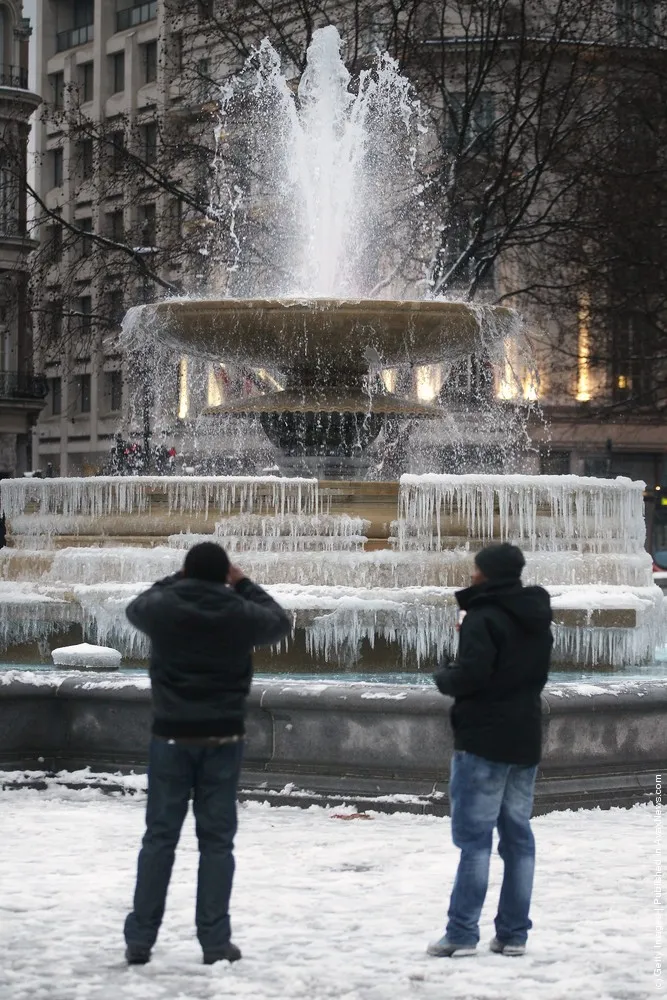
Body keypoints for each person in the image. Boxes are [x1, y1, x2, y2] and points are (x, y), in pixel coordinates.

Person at [123, 541, 291, 967]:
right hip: (222, 741)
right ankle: (215, 943)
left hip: (171, 740)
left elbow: (137, 605)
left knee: (159, 839)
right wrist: (244, 582)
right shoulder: (240, 612)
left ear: (186, 572)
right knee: (216, 844)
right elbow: (281, 621)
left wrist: (175, 579)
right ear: (224, 575)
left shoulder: (164, 608)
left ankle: (140, 939)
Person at [428, 542, 552, 959]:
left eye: (477, 569)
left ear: (488, 574)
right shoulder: (536, 617)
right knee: (518, 839)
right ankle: (514, 934)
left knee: (475, 841)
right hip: (524, 736)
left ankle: (462, 934)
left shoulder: (484, 615)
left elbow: (474, 675)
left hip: (482, 739)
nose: (472, 574)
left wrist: (445, 676)